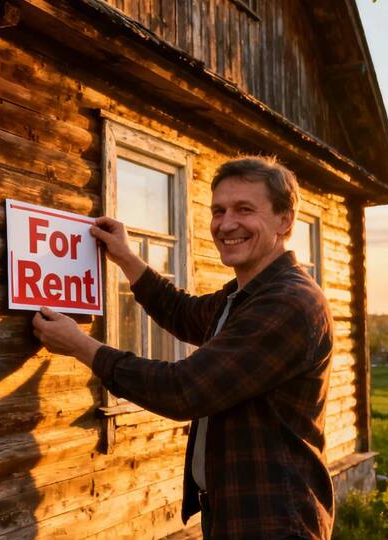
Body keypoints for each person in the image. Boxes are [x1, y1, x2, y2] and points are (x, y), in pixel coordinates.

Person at [32, 156, 335, 539]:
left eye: (245, 210)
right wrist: (127, 258)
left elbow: (183, 390)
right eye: (219, 211)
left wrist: (82, 347)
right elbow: (183, 313)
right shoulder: (244, 296)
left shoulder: (289, 303)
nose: (226, 225)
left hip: (274, 519)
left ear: (285, 220)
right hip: (236, 513)